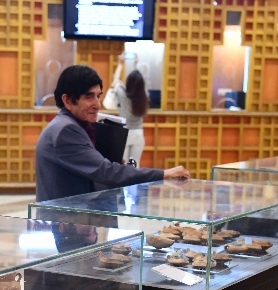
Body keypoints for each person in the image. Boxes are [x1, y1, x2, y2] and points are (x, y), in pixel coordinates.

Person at [35, 65, 189, 202]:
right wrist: (163, 174)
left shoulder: (72, 125)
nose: (97, 104)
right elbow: (107, 172)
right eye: (89, 97)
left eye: (98, 96)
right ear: (68, 100)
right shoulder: (66, 130)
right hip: (62, 219)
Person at [104, 63, 148, 163]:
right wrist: (136, 65)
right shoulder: (144, 96)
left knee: (123, 164)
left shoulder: (123, 95)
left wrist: (120, 64)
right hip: (138, 133)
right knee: (135, 165)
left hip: (124, 133)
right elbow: (138, 82)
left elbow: (115, 80)